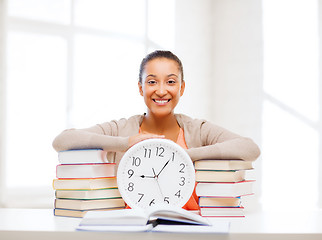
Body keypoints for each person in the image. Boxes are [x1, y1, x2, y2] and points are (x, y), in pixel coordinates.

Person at [52, 50, 260, 210]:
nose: (161, 91)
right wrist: (124, 144)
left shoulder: (197, 130)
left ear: (182, 88)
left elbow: (250, 148)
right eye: (152, 82)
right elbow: (62, 140)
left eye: (170, 82)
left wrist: (187, 156)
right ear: (141, 88)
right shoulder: (121, 129)